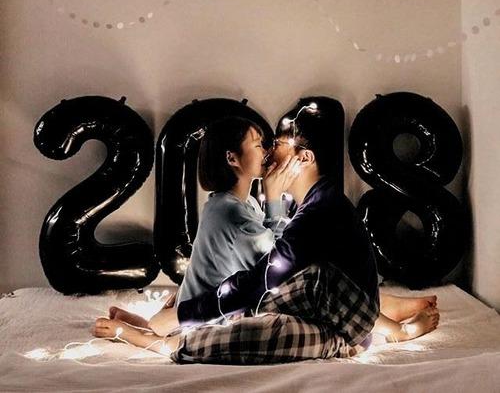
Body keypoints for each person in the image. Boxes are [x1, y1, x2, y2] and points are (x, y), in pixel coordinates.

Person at [94, 112, 439, 361]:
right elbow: (270, 274)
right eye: (262, 144)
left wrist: (273, 201)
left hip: (320, 312)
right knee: (275, 319)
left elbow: (270, 273)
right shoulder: (250, 208)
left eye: (275, 144)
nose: (269, 152)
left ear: (304, 158)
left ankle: (389, 322)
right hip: (238, 313)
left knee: (298, 303)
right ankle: (151, 334)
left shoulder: (311, 208)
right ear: (232, 159)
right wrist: (182, 312)